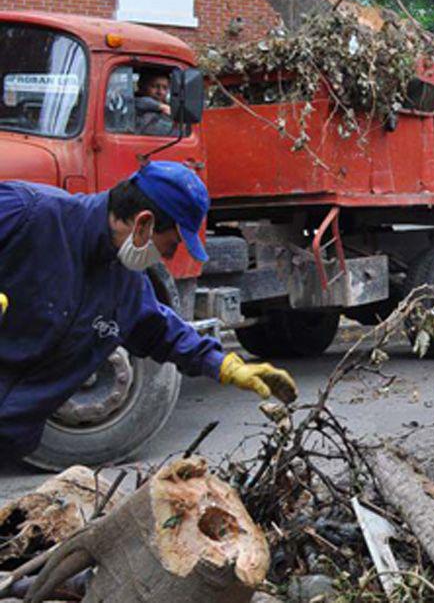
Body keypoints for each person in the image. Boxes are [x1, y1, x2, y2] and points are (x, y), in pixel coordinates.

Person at [0, 161, 297, 459]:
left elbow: (161, 331)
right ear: (143, 223)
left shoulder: (125, 286)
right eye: (171, 245)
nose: (168, 256)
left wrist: (224, 366)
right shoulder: (28, 213)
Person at [133, 70, 174, 136]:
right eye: (154, 86)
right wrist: (160, 107)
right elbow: (139, 102)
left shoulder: (170, 108)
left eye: (165, 88)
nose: (160, 92)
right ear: (141, 86)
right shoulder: (133, 104)